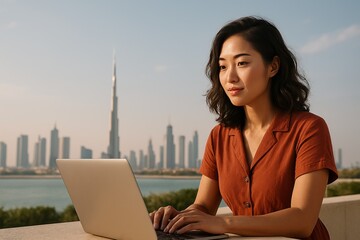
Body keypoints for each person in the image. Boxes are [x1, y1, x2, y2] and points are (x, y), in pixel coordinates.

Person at [149, 16, 338, 239]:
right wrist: (177, 218)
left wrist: (223, 222)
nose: (230, 77)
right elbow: (203, 206)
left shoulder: (309, 128)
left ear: (273, 66)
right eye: (222, 66)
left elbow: (303, 220)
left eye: (242, 63)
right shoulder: (219, 136)